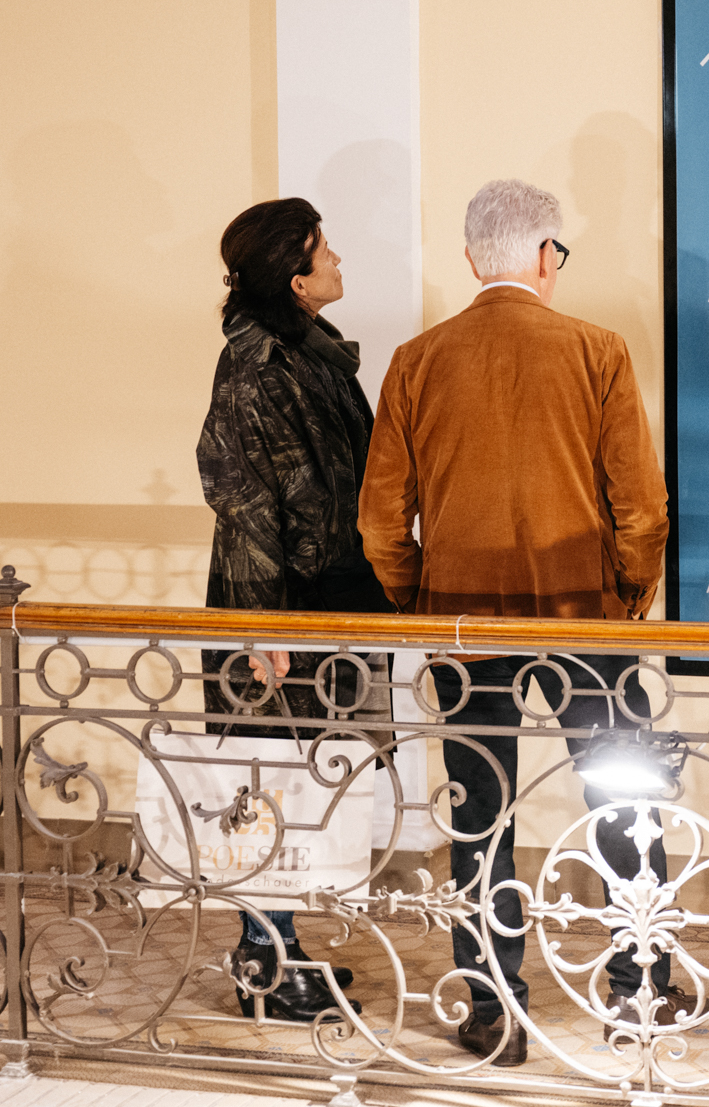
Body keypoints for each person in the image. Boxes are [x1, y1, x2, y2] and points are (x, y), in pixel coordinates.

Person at [359, 179, 688, 1066]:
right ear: (546, 256)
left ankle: (493, 1008)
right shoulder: (596, 350)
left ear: (473, 260)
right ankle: (639, 986)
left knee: (481, 817)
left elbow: (380, 522)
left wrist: (421, 601)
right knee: (624, 798)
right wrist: (627, 598)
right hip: (586, 622)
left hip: (466, 630)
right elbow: (643, 509)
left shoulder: (415, 361)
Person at [198, 197, 391, 1023]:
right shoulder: (256, 365)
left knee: (305, 782)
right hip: (278, 608)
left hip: (323, 597)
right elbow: (242, 497)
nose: (337, 258)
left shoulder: (311, 351)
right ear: (295, 276)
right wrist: (260, 627)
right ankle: (264, 961)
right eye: (323, 249)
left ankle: (278, 948)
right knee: (266, 782)